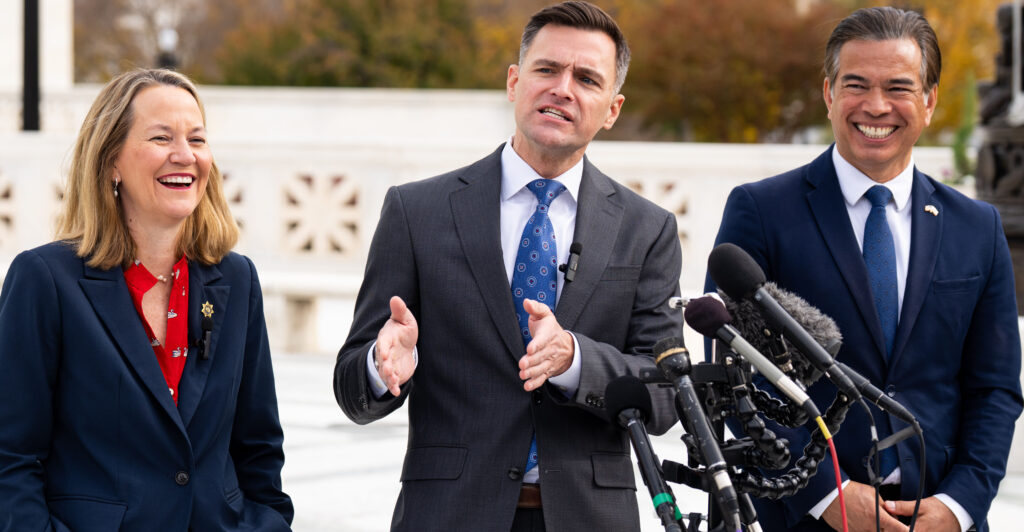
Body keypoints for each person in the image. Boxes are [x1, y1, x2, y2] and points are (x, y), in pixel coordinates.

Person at [333, 2, 683, 531]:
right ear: (515, 82)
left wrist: (575, 361)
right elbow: (351, 389)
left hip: (591, 518)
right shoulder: (417, 211)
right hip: (448, 515)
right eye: (547, 69)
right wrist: (380, 368)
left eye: (587, 78)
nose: (562, 88)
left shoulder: (647, 228)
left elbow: (664, 395)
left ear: (612, 109)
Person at [706, 6, 1023, 532]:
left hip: (938, 517)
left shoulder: (978, 227)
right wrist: (824, 494)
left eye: (898, 87)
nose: (876, 107)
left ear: (929, 101)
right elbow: (733, 373)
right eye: (856, 85)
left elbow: (995, 388)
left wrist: (961, 505)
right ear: (829, 93)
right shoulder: (760, 211)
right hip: (801, 516)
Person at [0, 69, 293, 531]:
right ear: (111, 159)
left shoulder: (237, 279)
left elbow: (258, 448)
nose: (184, 155)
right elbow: (10, 457)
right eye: (161, 137)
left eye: (196, 139)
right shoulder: (44, 281)